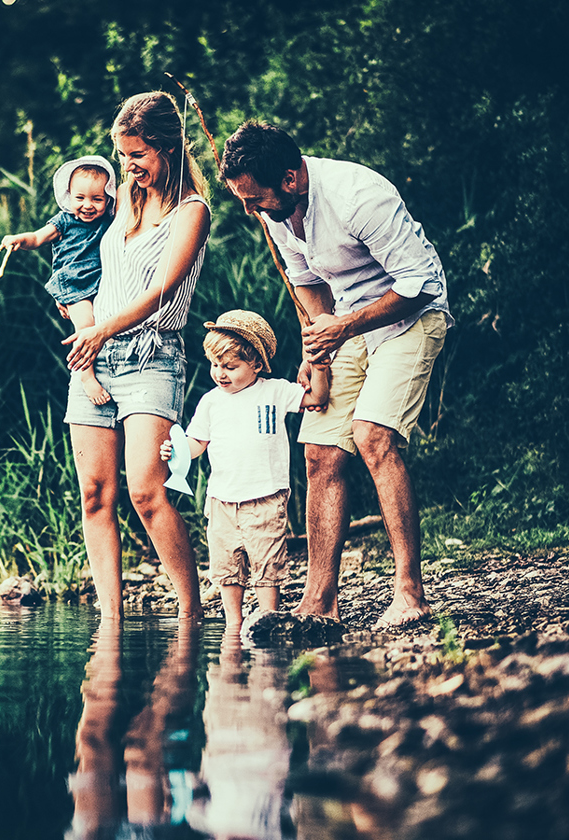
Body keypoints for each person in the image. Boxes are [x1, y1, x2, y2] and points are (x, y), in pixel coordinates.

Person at [219, 120, 453, 631]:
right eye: (242, 199)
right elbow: (309, 286)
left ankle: (409, 594)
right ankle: (318, 602)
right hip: (346, 324)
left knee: (372, 436)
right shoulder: (276, 213)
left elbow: (420, 284)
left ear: (291, 178)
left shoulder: (358, 196)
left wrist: (343, 326)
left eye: (255, 198)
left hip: (412, 315)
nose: (250, 209)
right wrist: (317, 345)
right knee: (321, 450)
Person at [62, 90, 212, 623]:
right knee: (93, 494)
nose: (128, 166)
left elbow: (161, 294)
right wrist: (82, 321)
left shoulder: (193, 211)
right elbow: (75, 253)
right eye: (124, 155)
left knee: (147, 489)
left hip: (152, 355)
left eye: (139, 155)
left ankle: (192, 614)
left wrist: (100, 331)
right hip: (94, 357)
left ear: (168, 149)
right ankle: (111, 620)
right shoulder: (123, 194)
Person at [159, 310, 328, 629]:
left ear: (257, 364)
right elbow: (196, 443)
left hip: (265, 498)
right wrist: (176, 450)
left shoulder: (274, 391)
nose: (220, 373)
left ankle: (267, 621)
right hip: (222, 502)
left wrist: (318, 366)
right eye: (215, 365)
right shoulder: (211, 401)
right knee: (226, 568)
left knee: (267, 564)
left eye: (231, 367)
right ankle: (233, 627)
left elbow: (317, 397)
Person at [0, 155, 118, 405]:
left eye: (97, 199)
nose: (88, 205)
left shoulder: (109, 222)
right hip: (74, 284)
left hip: (100, 284)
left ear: (108, 198)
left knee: (105, 322)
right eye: (80, 198)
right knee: (86, 327)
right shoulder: (64, 221)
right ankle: (86, 376)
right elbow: (37, 238)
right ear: (69, 196)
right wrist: (20, 240)